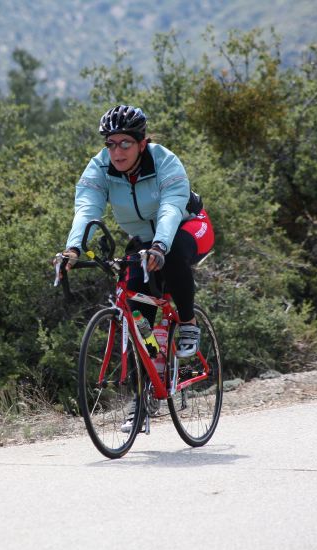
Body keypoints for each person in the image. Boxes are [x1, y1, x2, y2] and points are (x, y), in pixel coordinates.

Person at [55, 105, 214, 425]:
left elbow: (171, 208)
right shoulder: (99, 168)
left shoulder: (165, 161)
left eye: (125, 143)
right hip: (145, 239)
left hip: (187, 227)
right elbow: (86, 208)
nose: (117, 151)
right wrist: (73, 248)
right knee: (134, 301)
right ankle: (144, 398)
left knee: (173, 256)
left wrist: (160, 245)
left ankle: (187, 323)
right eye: (110, 144)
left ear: (142, 143)